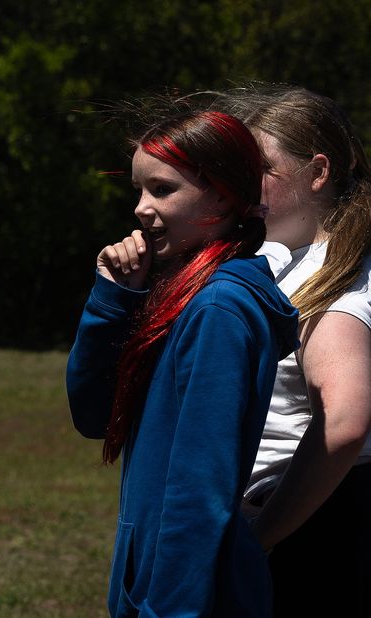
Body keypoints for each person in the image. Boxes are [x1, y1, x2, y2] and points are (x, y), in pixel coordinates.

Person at [66, 110, 299, 617]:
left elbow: (199, 491)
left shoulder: (219, 310)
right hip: (157, 586)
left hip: (188, 600)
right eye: (138, 190)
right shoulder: (180, 297)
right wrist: (113, 301)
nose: (141, 210)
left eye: (162, 190)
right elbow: (94, 416)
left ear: (222, 194)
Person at [218, 86, 371, 617]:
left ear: (318, 171)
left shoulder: (342, 279)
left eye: (261, 167)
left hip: (313, 536)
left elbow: (345, 423)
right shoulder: (274, 259)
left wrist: (261, 538)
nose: (243, 185)